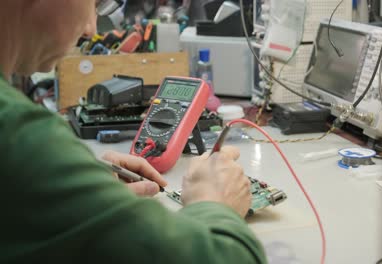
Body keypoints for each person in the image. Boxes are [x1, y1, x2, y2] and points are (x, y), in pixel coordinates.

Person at [0, 1, 266, 263]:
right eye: (93, 3)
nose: (91, 29)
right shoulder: (17, 135)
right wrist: (215, 204)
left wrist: (78, 186)